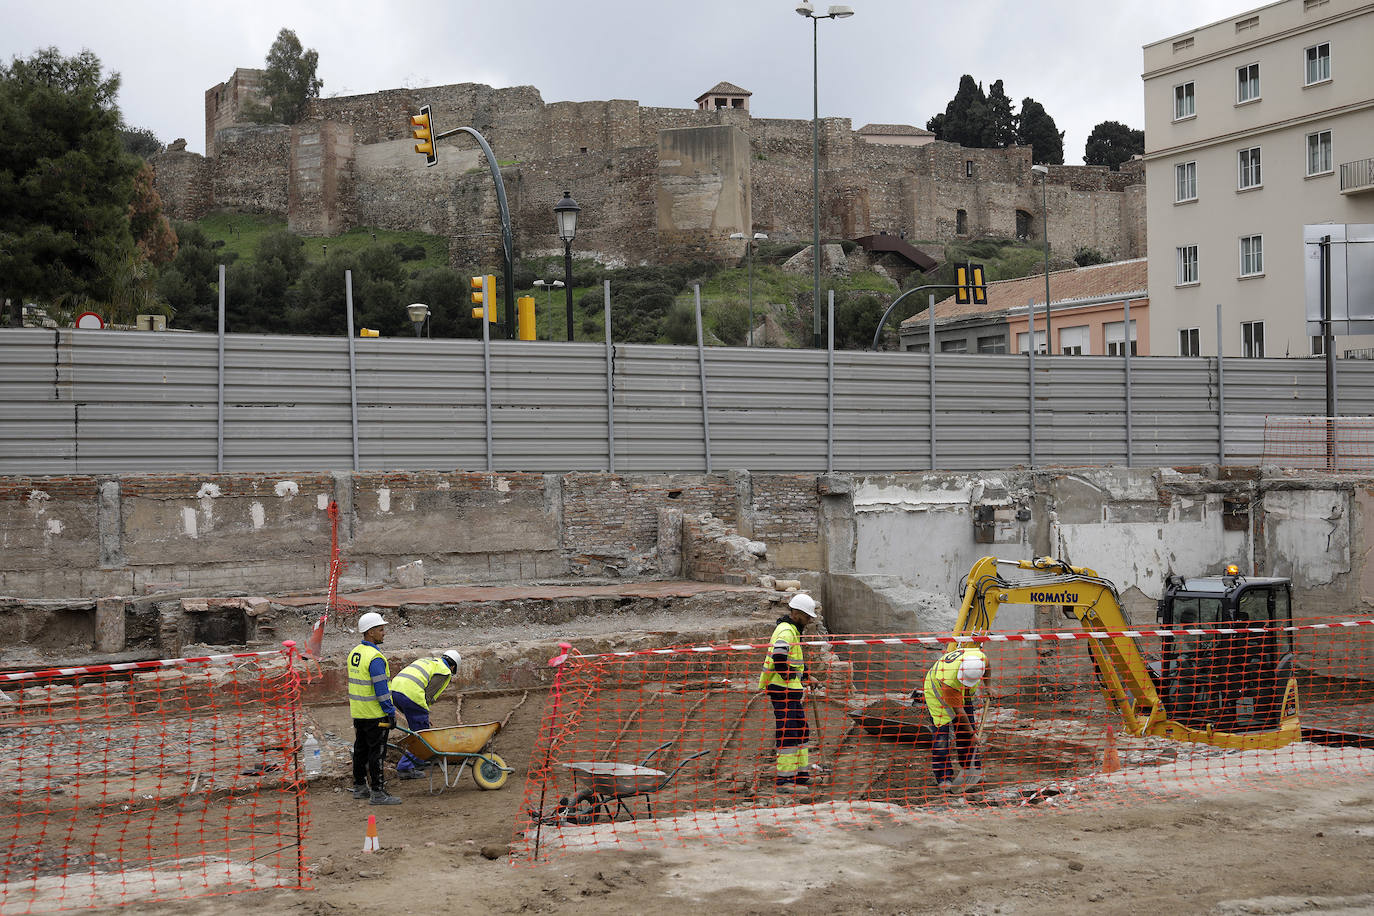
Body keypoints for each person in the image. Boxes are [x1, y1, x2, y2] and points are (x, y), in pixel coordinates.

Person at [759, 593, 822, 794]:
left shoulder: (794, 630)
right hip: (782, 690)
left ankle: (801, 776)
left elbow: (794, 662)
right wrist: (790, 680)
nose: (810, 620)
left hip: (790, 690)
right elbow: (779, 659)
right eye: (807, 616)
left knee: (801, 730)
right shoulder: (786, 631)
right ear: (795, 613)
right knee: (788, 733)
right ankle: (785, 781)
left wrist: (805, 677)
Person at [348, 612, 402, 805]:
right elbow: (381, 689)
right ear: (370, 632)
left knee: (360, 749)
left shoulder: (355, 653)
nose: (384, 633)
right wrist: (390, 712)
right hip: (375, 714)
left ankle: (359, 786)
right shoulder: (375, 658)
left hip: (359, 712)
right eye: (380, 629)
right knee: (377, 752)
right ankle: (378, 792)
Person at [921, 644, 989, 792]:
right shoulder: (949, 681)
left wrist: (989, 687)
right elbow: (959, 712)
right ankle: (944, 777)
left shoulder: (980, 659)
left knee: (966, 731)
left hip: (961, 692)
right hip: (937, 694)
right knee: (941, 738)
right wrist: (973, 734)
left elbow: (988, 668)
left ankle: (971, 767)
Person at [393, 649, 462, 779]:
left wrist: (422, 715)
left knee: (416, 728)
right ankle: (405, 768)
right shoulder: (445, 671)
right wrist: (424, 713)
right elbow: (429, 695)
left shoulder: (429, 661)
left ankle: (418, 760)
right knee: (421, 733)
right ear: (453, 666)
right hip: (412, 695)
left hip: (396, 691)